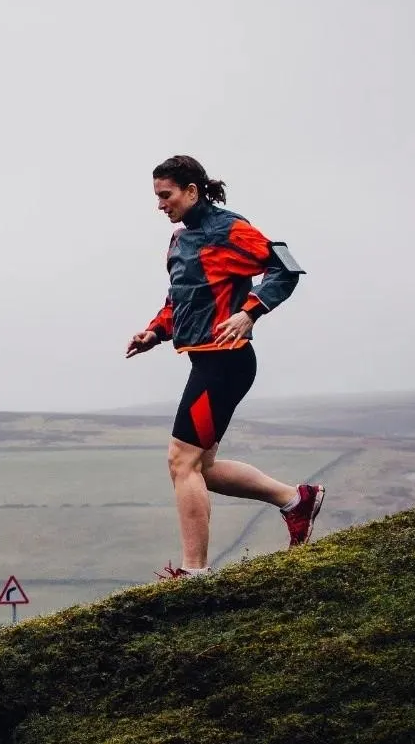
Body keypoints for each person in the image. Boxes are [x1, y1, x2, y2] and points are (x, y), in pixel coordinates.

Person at [125, 154, 323, 579]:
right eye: (157, 197)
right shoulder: (180, 241)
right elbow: (180, 301)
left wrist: (251, 312)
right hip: (204, 360)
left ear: (191, 191)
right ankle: (295, 500)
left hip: (226, 362)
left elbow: (285, 268)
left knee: (181, 461)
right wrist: (154, 334)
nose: (160, 205)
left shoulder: (229, 229)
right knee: (203, 469)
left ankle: (194, 572)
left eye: (166, 195)